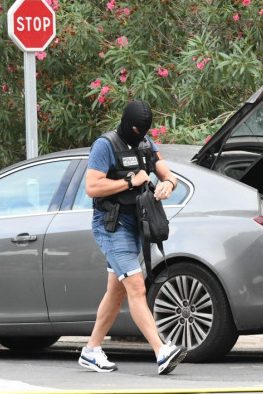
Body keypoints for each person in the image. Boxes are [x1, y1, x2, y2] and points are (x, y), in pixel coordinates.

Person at [79, 100, 186, 375]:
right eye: (137, 129)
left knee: (116, 293)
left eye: (144, 131)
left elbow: (167, 173)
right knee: (136, 287)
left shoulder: (146, 144)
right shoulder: (105, 145)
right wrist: (130, 182)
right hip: (111, 225)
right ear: (127, 124)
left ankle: (91, 351)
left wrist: (167, 185)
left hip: (136, 223)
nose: (140, 134)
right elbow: (92, 186)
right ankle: (161, 351)